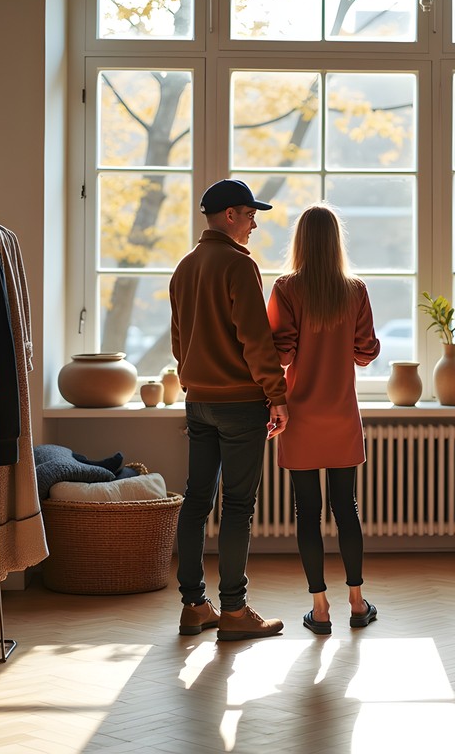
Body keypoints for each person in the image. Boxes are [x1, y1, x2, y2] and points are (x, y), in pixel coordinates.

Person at [169, 178, 290, 641]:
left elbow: (180, 340)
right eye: (249, 212)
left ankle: (194, 607)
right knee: (238, 506)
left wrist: (190, 381)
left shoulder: (185, 266)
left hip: (198, 402)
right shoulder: (238, 265)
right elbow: (255, 340)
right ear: (229, 216)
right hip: (240, 404)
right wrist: (276, 395)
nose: (255, 222)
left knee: (196, 501)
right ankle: (235, 613)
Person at [267, 203, 381, 636]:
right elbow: (366, 352)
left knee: (307, 512)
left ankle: (319, 608)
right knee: (346, 508)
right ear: (336, 241)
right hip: (341, 416)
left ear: (299, 241)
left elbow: (281, 353)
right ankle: (356, 602)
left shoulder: (286, 289)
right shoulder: (354, 290)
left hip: (300, 418)